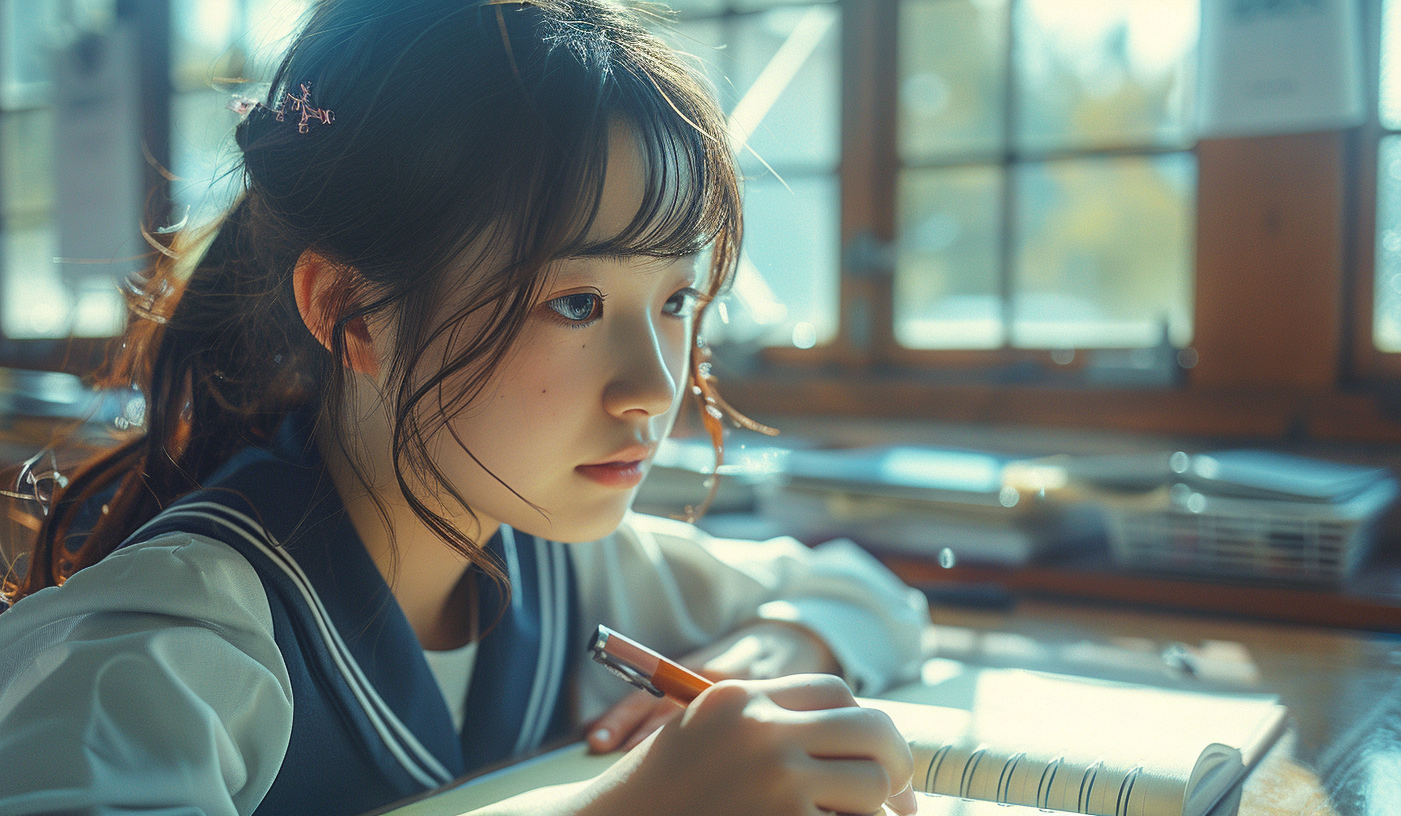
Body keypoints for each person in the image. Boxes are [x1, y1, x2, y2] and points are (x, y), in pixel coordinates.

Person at [0, 1, 929, 814]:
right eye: (576, 303)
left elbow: (865, 595)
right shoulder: (171, 651)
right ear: (349, 312)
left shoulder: (568, 570)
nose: (655, 388)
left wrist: (766, 652)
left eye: (679, 301)